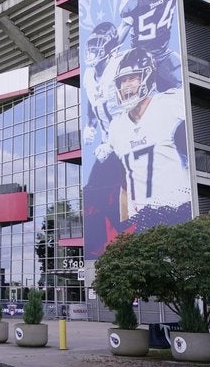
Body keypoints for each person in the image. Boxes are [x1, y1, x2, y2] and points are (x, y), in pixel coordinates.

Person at [107, 47, 191, 227]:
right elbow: (124, 186)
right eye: (123, 80)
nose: (126, 85)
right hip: (141, 222)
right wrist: (124, 229)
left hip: (178, 213)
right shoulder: (116, 128)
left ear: (147, 76)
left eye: (132, 78)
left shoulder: (171, 105)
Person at [82, 22, 127, 257]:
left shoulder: (121, 66)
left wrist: (112, 141)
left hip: (128, 142)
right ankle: (101, 253)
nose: (93, 50)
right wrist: (90, 125)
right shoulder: (90, 74)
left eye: (98, 44)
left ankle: (125, 237)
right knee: (91, 193)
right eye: (91, 45)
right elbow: (93, 103)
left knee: (118, 196)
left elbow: (131, 106)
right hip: (107, 145)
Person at [117, 0, 182, 92]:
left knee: (182, 81)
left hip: (163, 53)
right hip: (141, 58)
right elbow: (122, 32)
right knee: (140, 100)